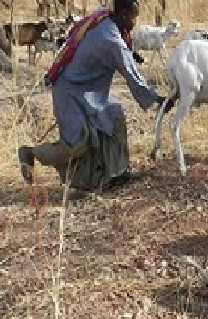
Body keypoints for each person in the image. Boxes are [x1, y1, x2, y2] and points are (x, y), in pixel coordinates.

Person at [18, 0, 174, 190]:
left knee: (114, 115)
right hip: (70, 91)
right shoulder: (111, 41)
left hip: (89, 89)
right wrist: (158, 99)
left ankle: (117, 173)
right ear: (124, 14)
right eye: (133, 17)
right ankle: (31, 153)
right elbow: (132, 75)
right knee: (76, 145)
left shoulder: (103, 17)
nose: (135, 22)